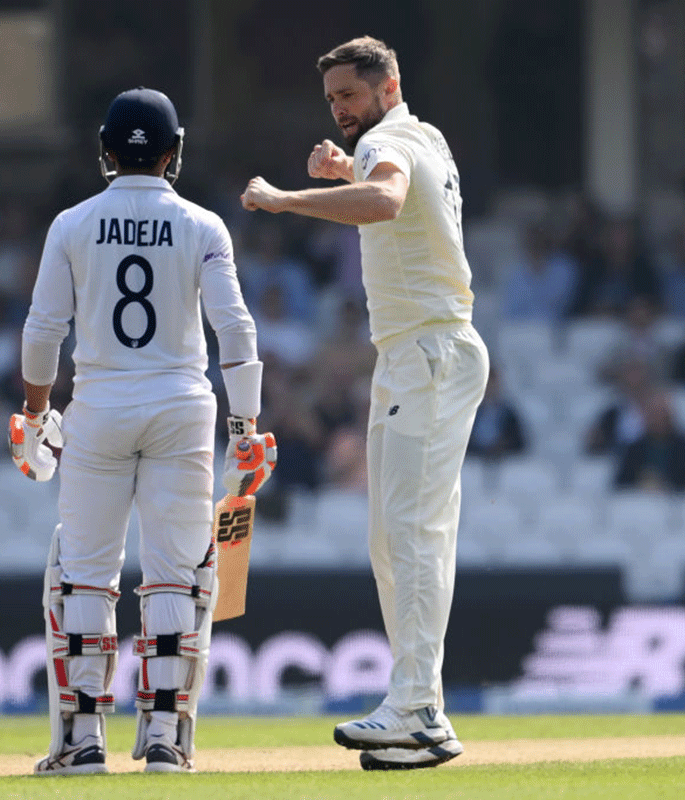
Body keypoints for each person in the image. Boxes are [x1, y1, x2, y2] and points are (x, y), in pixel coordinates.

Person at [241, 36, 486, 771]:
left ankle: (416, 708)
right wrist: (349, 167)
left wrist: (287, 200)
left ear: (389, 86)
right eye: (332, 101)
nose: (341, 110)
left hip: (428, 353)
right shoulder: (420, 137)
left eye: (349, 95)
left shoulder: (391, 140)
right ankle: (423, 714)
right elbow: (396, 196)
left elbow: (385, 201)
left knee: (408, 532)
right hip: (417, 352)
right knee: (401, 535)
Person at [13, 87, 274, 775]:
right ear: (174, 152)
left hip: (99, 408)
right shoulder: (203, 226)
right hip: (183, 409)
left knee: (83, 577)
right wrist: (245, 425)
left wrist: (37, 414)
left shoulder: (72, 224)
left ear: (104, 150)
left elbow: (44, 331)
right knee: (178, 576)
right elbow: (236, 332)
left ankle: (81, 741)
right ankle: (165, 738)